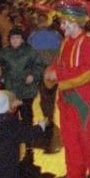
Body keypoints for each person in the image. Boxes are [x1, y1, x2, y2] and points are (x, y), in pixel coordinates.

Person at [44, 0, 90, 178]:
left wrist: (58, 75)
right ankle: (74, 174)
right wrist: (49, 72)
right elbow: (59, 63)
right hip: (66, 99)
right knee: (69, 137)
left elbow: (87, 70)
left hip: (85, 100)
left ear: (74, 21)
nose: (62, 27)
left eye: (64, 23)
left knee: (86, 136)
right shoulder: (66, 42)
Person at [0, 28, 46, 131]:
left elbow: (40, 65)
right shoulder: (4, 53)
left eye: (17, 38)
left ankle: (28, 139)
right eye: (12, 38)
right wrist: (1, 78)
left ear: (22, 39)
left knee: (27, 115)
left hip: (26, 89)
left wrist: (33, 75)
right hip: (10, 89)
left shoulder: (30, 51)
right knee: (11, 116)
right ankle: (15, 138)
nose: (15, 40)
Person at [27, 14, 63, 153]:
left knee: (43, 95)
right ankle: (50, 116)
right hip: (52, 72)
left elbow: (29, 53)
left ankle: (47, 116)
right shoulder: (56, 35)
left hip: (39, 71)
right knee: (51, 95)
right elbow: (61, 52)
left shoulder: (33, 36)